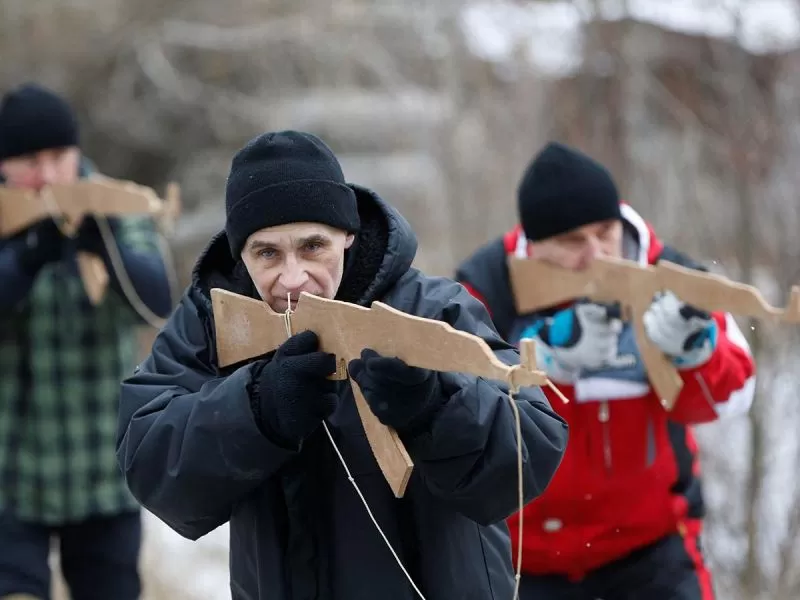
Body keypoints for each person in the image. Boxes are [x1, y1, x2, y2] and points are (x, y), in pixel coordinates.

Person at [115, 130, 569, 600]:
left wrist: (435, 407)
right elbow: (148, 457)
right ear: (240, 255)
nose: (293, 278)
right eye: (267, 253)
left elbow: (530, 445)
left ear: (348, 236)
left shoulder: (430, 308)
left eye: (313, 247)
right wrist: (257, 410)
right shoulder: (211, 322)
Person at [455, 141, 756, 600]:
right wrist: (543, 359)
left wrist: (695, 352)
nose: (596, 254)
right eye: (573, 242)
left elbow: (735, 396)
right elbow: (454, 404)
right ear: (535, 245)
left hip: (652, 552)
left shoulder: (668, 275)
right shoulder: (487, 286)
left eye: (605, 231)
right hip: (524, 557)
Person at [0, 83, 175, 600]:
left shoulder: (113, 205)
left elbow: (157, 300)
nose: (49, 174)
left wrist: (101, 245)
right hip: (10, 479)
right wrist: (29, 255)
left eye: (59, 157)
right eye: (29, 160)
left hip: (102, 472)